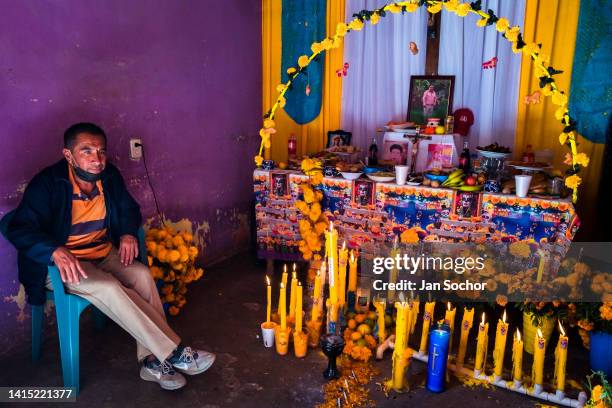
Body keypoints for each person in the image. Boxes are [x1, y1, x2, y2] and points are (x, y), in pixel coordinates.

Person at [4, 123, 214, 391]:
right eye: (87, 151)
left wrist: (127, 233)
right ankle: (173, 353)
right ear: (68, 155)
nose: (97, 159)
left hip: (102, 252)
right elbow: (19, 228)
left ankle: (152, 361)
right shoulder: (47, 184)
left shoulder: (109, 176)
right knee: (108, 286)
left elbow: (128, 208)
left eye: (101, 151)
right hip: (61, 266)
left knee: (142, 275)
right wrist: (54, 250)